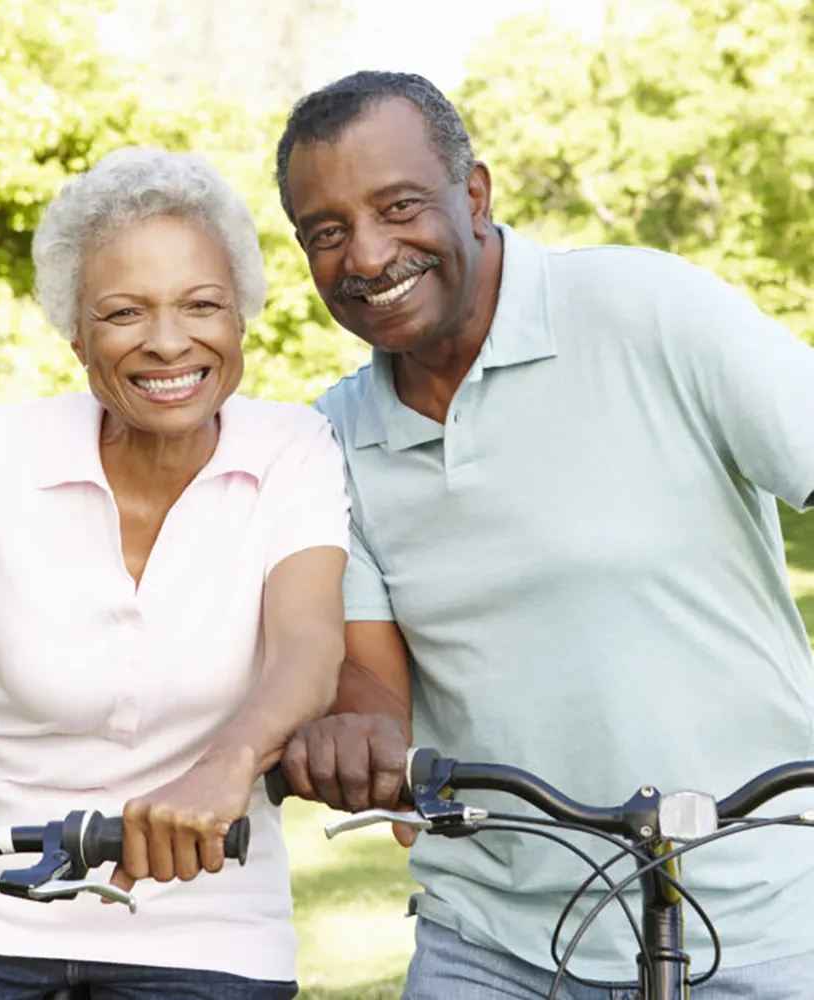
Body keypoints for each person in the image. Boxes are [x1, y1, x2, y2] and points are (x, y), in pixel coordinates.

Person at [273, 70, 814, 1000]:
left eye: (399, 206)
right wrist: (353, 733)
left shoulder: (647, 309)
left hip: (764, 918)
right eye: (326, 232)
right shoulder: (336, 437)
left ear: (474, 193)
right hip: (489, 942)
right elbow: (370, 673)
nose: (366, 255)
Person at [0, 146, 350, 999]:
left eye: (202, 305)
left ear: (242, 316)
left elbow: (309, 644)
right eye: (125, 312)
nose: (169, 341)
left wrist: (230, 763)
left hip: (210, 929)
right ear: (76, 335)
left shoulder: (293, 452)